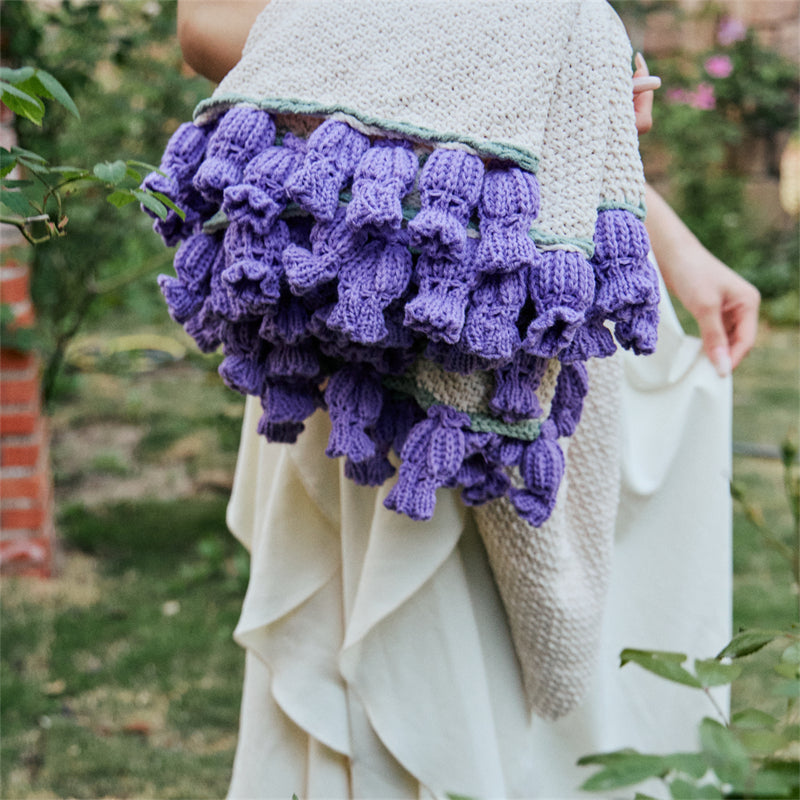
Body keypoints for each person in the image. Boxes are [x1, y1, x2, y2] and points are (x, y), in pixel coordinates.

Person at [169, 3, 761, 798]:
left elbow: (510, 87)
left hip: (530, 275)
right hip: (379, 288)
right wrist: (538, 46)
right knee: (412, 671)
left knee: (551, 701)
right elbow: (208, 28)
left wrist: (670, 240)